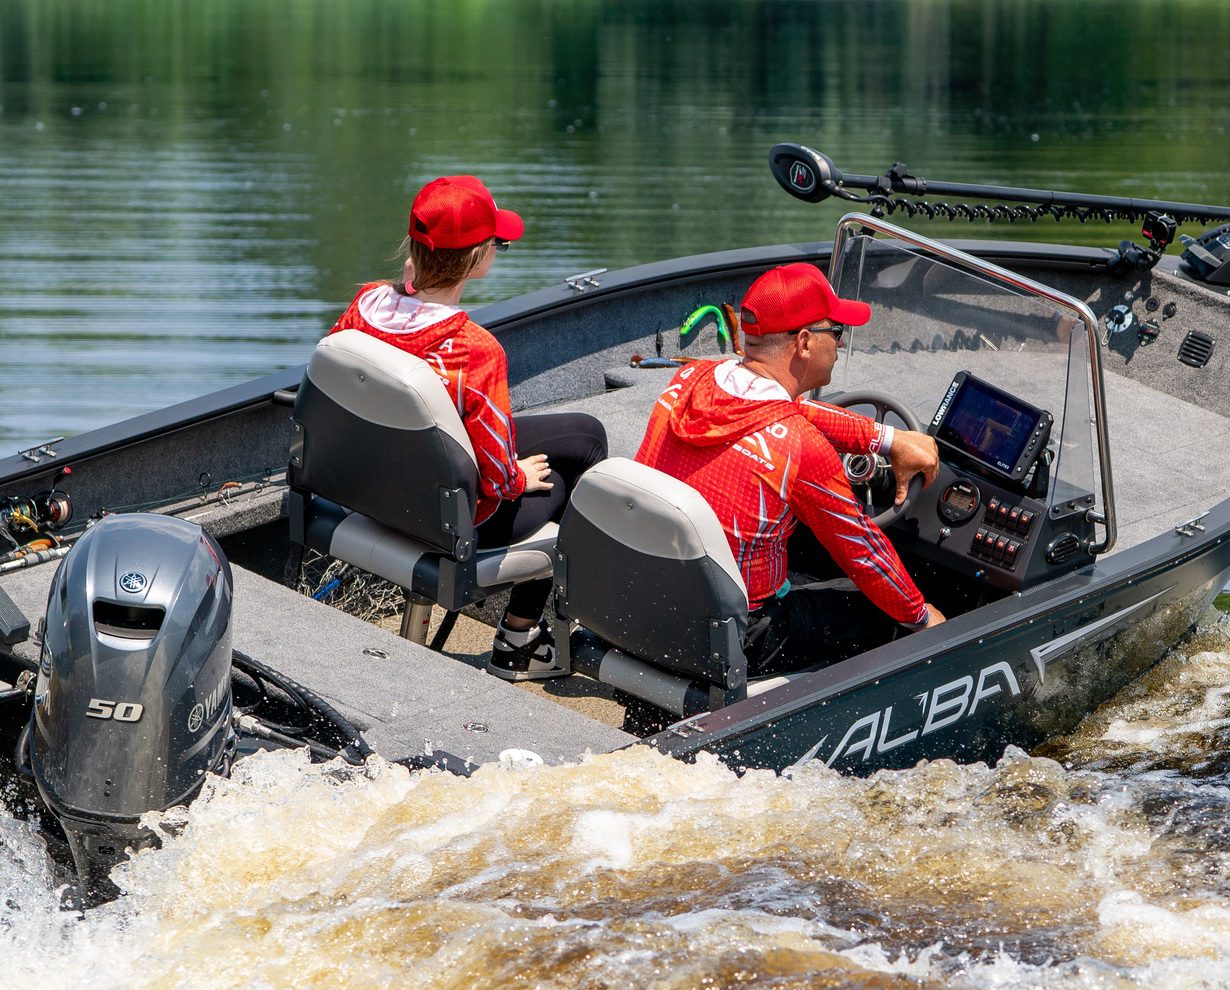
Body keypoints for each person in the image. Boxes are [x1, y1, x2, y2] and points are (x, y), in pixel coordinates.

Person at [329, 174, 606, 677]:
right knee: (567, 476)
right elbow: (500, 481)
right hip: (446, 517)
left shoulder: (362, 306)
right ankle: (518, 642)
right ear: (478, 259)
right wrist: (521, 475)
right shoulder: (475, 352)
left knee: (582, 434)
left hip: (371, 489)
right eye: (496, 243)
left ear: (413, 248)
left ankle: (527, 634)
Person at [635, 262, 946, 676]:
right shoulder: (800, 448)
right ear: (804, 342)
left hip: (651, 595)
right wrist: (923, 618)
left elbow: (787, 407)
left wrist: (887, 439)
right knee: (880, 609)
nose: (839, 343)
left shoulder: (691, 378)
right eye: (837, 333)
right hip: (736, 634)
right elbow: (862, 551)